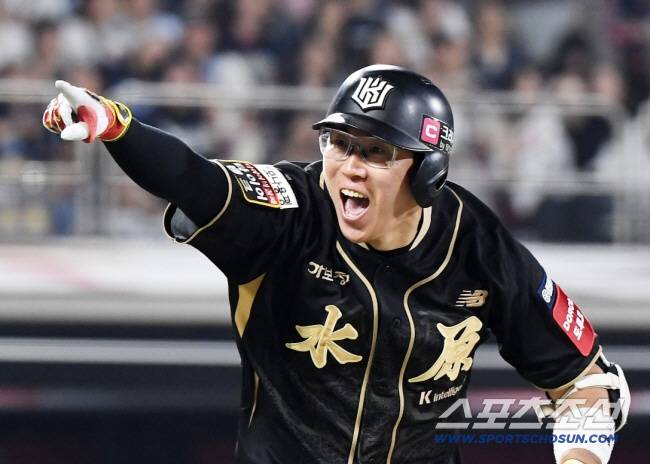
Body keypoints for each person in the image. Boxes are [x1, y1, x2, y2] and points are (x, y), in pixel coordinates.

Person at [42, 64, 629, 464]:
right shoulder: (289, 211)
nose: (349, 166)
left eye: (376, 152)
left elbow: (587, 385)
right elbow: (195, 179)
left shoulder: (479, 246)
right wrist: (114, 124)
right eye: (339, 143)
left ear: (428, 172)